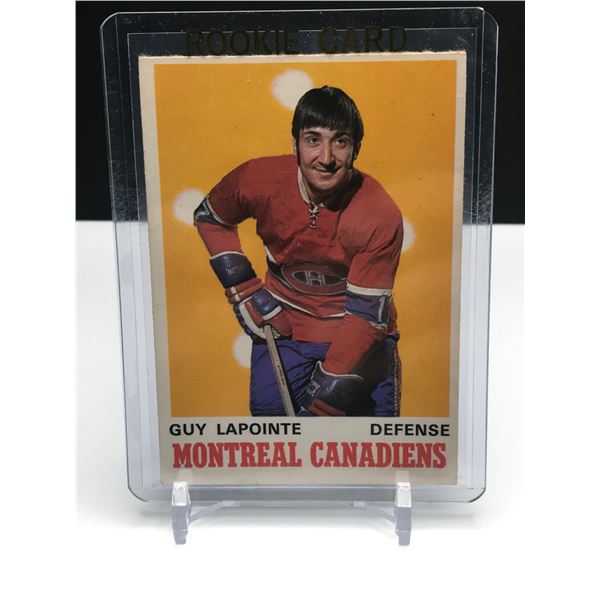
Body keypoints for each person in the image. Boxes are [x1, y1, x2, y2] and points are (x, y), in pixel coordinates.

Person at [194, 86, 403, 417]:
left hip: (361, 338)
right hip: (286, 327)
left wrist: (326, 399)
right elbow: (211, 218)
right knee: (274, 440)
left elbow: (365, 317)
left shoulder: (379, 212)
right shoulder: (258, 180)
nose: (326, 158)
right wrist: (244, 289)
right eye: (313, 140)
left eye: (340, 141)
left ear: (356, 149)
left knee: (366, 445)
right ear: (294, 144)